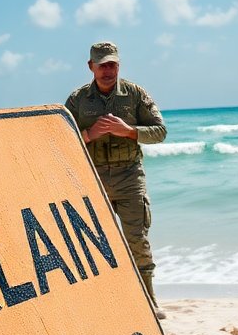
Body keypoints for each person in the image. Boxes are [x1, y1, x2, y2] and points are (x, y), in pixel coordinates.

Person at [64, 41, 168, 319]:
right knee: (95, 243)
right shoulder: (77, 100)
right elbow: (59, 141)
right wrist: (89, 135)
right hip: (93, 178)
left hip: (130, 176)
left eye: (112, 64)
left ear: (118, 65)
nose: (108, 70)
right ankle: (105, 302)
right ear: (91, 67)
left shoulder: (135, 94)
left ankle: (149, 300)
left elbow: (160, 132)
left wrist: (129, 130)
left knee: (137, 240)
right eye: (102, 65)